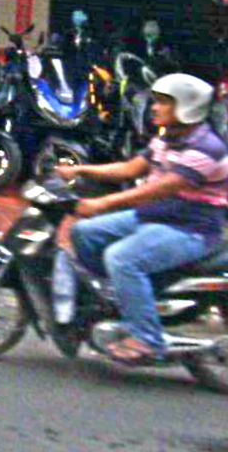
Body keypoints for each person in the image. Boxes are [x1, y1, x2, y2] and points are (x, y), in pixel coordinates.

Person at [56, 73, 228, 364]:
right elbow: (130, 169)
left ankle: (147, 338)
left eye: (164, 103)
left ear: (187, 107)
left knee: (122, 259)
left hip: (191, 228)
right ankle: (119, 302)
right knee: (84, 233)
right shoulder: (167, 139)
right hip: (157, 216)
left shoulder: (207, 149)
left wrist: (102, 203)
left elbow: (157, 190)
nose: (155, 108)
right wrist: (81, 170)